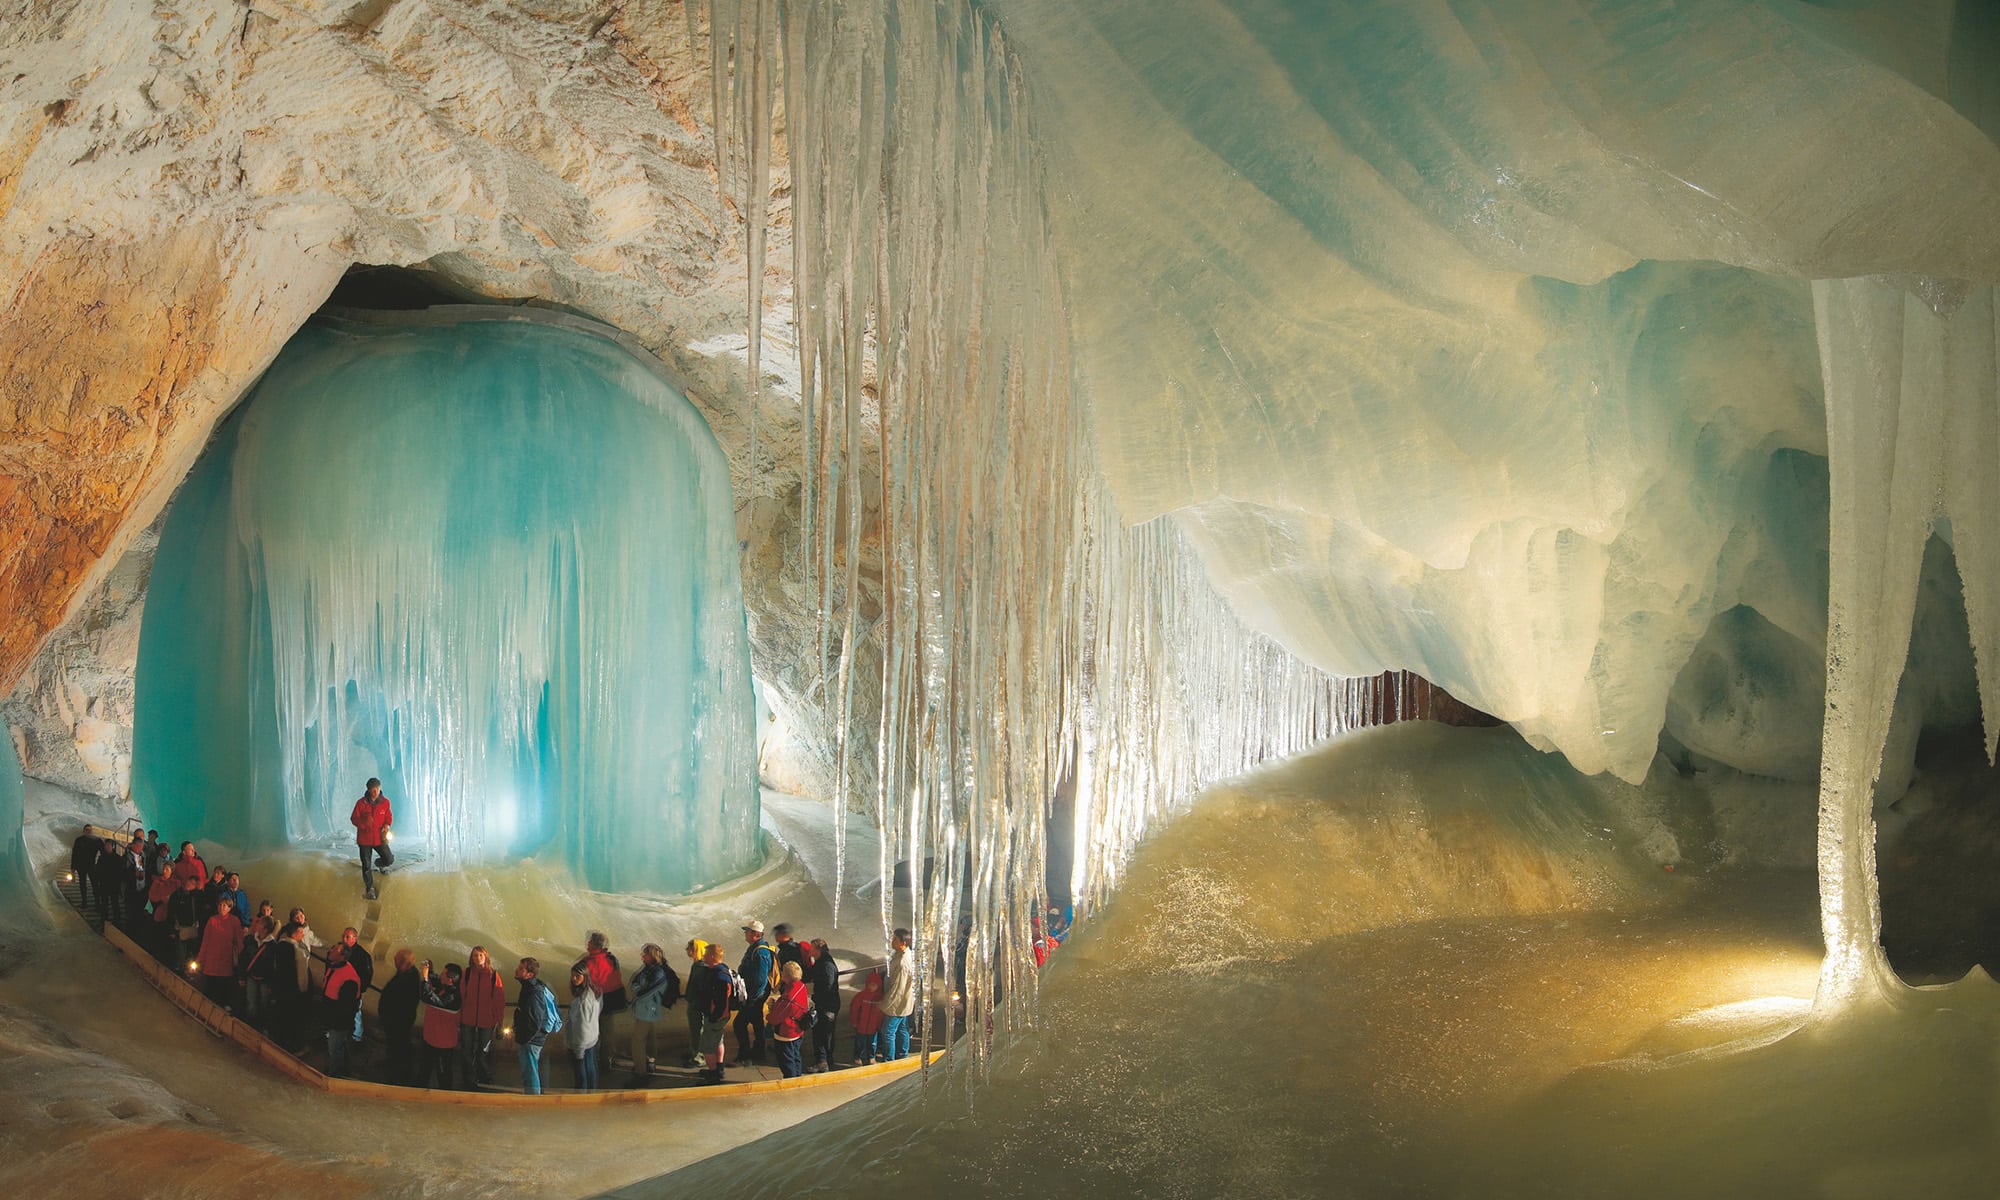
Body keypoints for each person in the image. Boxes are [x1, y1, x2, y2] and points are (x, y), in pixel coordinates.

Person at [572, 931, 626, 1076]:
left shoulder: (586, 962)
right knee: (607, 1032)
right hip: (611, 999)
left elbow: (582, 982)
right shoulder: (611, 958)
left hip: (594, 1001)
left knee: (590, 1031)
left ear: (592, 944)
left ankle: (591, 1060)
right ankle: (606, 1060)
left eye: (589, 942)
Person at [626, 943, 679, 1084]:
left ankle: (640, 1074)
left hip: (648, 1010)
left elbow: (645, 992)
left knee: (637, 1041)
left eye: (645, 954)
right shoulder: (649, 969)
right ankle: (649, 1064)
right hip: (649, 1009)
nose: (642, 956)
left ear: (652, 956)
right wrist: (638, 989)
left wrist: (637, 991)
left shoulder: (658, 972)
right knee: (649, 1037)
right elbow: (635, 983)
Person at [459, 945, 506, 1088]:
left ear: (486, 957)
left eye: (480, 955)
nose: (478, 958)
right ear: (471, 958)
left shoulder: (493, 975)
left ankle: (484, 1076)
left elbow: (499, 1000)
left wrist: (500, 1021)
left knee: (483, 1050)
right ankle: (469, 1078)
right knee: (466, 1050)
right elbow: (461, 996)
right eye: (475, 955)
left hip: (487, 1019)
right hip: (467, 1018)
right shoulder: (466, 974)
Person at [688, 942, 735, 1085]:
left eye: (706, 954)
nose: (703, 957)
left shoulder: (719, 976)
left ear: (713, 956)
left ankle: (713, 1074)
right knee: (718, 1041)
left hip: (716, 1016)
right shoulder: (724, 970)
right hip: (721, 1015)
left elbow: (721, 1000)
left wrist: (714, 1016)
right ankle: (719, 1068)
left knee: (707, 1046)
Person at [513, 958, 560, 1095]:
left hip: (531, 1040)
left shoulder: (533, 992)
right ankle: (533, 1097)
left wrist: (523, 1038)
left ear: (529, 974)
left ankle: (533, 1100)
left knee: (530, 1072)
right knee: (530, 1071)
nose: (517, 970)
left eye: (521, 969)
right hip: (533, 1038)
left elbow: (534, 1020)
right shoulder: (532, 987)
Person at [734, 919, 775, 1064]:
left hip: (755, 996)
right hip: (756, 995)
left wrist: (751, 999)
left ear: (755, 934)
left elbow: (760, 980)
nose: (745, 933)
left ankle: (745, 1055)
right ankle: (758, 1052)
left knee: (739, 1024)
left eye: (747, 931)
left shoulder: (760, 952)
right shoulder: (757, 948)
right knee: (757, 1023)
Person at [267, 923, 313, 1050]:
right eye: (301, 932)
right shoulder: (299, 951)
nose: (303, 934)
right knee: (293, 1018)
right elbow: (302, 975)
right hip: (293, 990)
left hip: (280, 987)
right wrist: (304, 992)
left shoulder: (279, 945)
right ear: (294, 934)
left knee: (279, 1013)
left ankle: (276, 1039)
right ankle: (293, 1046)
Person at [378, 949, 421, 1086]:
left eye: (397, 959)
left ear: (404, 962)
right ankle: (393, 1065)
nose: (394, 961)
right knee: (394, 1044)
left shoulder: (410, 977)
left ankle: (401, 1075)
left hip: (400, 1020)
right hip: (394, 1019)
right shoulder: (404, 973)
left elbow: (403, 1001)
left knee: (401, 1046)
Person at [417, 960, 462, 1089]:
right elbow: (437, 979)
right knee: (425, 1068)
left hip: (443, 1044)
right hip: (432, 1038)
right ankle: (420, 1088)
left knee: (443, 1072)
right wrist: (429, 970)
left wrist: (425, 979)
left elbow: (427, 997)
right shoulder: (446, 987)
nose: (440, 975)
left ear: (450, 980)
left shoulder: (452, 998)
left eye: (443, 974)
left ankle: (445, 1094)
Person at [196, 895, 245, 1012]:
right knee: (210, 986)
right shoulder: (212, 920)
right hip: (211, 959)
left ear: (229, 908)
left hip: (226, 959)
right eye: (220, 905)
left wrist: (240, 957)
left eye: (225, 905)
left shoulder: (234, 921)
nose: (222, 907)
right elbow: (205, 941)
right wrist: (200, 959)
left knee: (224, 986)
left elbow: (239, 941)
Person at [321, 944, 363, 1078]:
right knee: (338, 1045)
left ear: (342, 956)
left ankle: (335, 1074)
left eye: (335, 950)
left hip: (338, 1021)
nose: (330, 950)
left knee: (334, 1048)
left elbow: (346, 1007)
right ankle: (341, 1066)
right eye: (332, 947)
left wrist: (334, 1023)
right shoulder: (334, 966)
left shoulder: (349, 977)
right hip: (331, 1017)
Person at [766, 961, 812, 1079]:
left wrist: (770, 1012)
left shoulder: (789, 997)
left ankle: (791, 1080)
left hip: (786, 1033)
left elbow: (775, 1018)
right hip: (797, 1029)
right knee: (795, 1056)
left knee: (786, 1061)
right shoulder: (801, 986)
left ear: (786, 976)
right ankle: (797, 1077)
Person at [350, 777, 394, 900]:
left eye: (377, 789)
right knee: (366, 865)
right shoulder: (361, 803)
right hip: (365, 840)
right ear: (368, 790)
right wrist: (364, 822)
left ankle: (380, 864)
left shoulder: (385, 802)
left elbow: (388, 816)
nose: (375, 792)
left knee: (389, 859)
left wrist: (387, 825)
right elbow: (354, 818)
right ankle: (369, 888)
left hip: (379, 838)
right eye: (373, 790)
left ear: (379, 788)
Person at [879, 927, 916, 1061]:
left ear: (903, 943)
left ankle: (889, 1059)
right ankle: (902, 1055)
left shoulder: (903, 962)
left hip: (898, 1003)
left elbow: (898, 988)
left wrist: (887, 1002)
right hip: (903, 1002)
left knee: (888, 1031)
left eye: (895, 939)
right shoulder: (903, 954)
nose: (892, 941)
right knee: (902, 1029)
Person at [806, 938, 841, 1072]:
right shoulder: (822, 962)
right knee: (826, 1034)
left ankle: (822, 1061)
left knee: (821, 1034)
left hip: (826, 1005)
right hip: (828, 1004)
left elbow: (828, 986)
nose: (810, 950)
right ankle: (826, 1060)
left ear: (818, 949)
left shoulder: (826, 965)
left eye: (811, 948)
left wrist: (815, 998)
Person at [566, 966, 602, 1091]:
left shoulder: (583, 1000)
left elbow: (583, 1024)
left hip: (582, 1040)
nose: (573, 979)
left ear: (585, 977)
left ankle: (583, 1092)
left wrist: (579, 1046)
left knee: (581, 1067)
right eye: (572, 975)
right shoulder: (593, 992)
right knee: (590, 1065)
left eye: (577, 976)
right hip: (591, 1037)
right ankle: (591, 1090)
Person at [682, 938, 711, 1067]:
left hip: (698, 1005)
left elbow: (699, 988)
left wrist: (689, 997)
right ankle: (694, 1052)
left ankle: (700, 1057)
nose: (687, 950)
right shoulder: (699, 965)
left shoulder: (701, 966)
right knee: (696, 1029)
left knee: (698, 1030)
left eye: (689, 948)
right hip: (695, 1003)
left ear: (696, 950)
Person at [169, 873, 206, 969]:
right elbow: (171, 912)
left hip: (193, 929)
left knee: (191, 954)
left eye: (193, 884)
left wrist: (199, 889)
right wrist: (171, 930)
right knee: (180, 954)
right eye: (190, 882)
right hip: (180, 929)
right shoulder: (176, 895)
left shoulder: (196, 897)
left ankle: (189, 971)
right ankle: (179, 970)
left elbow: (203, 907)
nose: (190, 884)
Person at [849, 970, 886, 1065]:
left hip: (873, 1027)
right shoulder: (861, 996)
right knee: (859, 1043)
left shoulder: (880, 998)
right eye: (870, 984)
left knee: (872, 1043)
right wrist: (854, 1022)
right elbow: (854, 1010)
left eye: (874, 985)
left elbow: (881, 1014)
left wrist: (879, 1025)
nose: (871, 987)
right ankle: (857, 1056)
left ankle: (871, 1056)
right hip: (861, 1025)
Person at [91, 837, 127, 925]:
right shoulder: (101, 858)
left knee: (115, 903)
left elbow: (120, 872)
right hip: (104, 884)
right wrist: (98, 881)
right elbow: (97, 871)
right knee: (104, 904)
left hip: (114, 884)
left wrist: (119, 883)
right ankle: (104, 919)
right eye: (106, 845)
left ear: (113, 847)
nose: (107, 847)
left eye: (109, 845)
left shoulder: (118, 858)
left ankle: (117, 920)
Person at [69, 830, 101, 909]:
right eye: (86, 830)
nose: (88, 831)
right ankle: (84, 903)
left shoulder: (96, 840)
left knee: (95, 884)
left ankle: (97, 904)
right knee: (82, 885)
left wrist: (100, 864)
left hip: (91, 866)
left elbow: (103, 851)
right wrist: (72, 868)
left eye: (89, 830)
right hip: (81, 866)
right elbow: (74, 854)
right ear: (83, 831)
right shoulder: (79, 840)